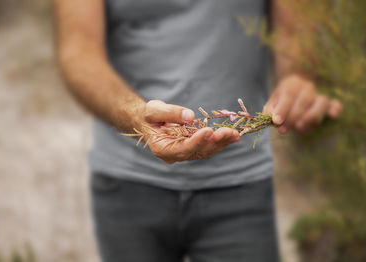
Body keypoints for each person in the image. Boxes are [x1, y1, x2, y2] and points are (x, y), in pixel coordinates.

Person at [54, 0, 342, 261]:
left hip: (240, 184)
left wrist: (298, 80)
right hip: (126, 181)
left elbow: (294, 34)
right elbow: (78, 51)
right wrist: (136, 116)